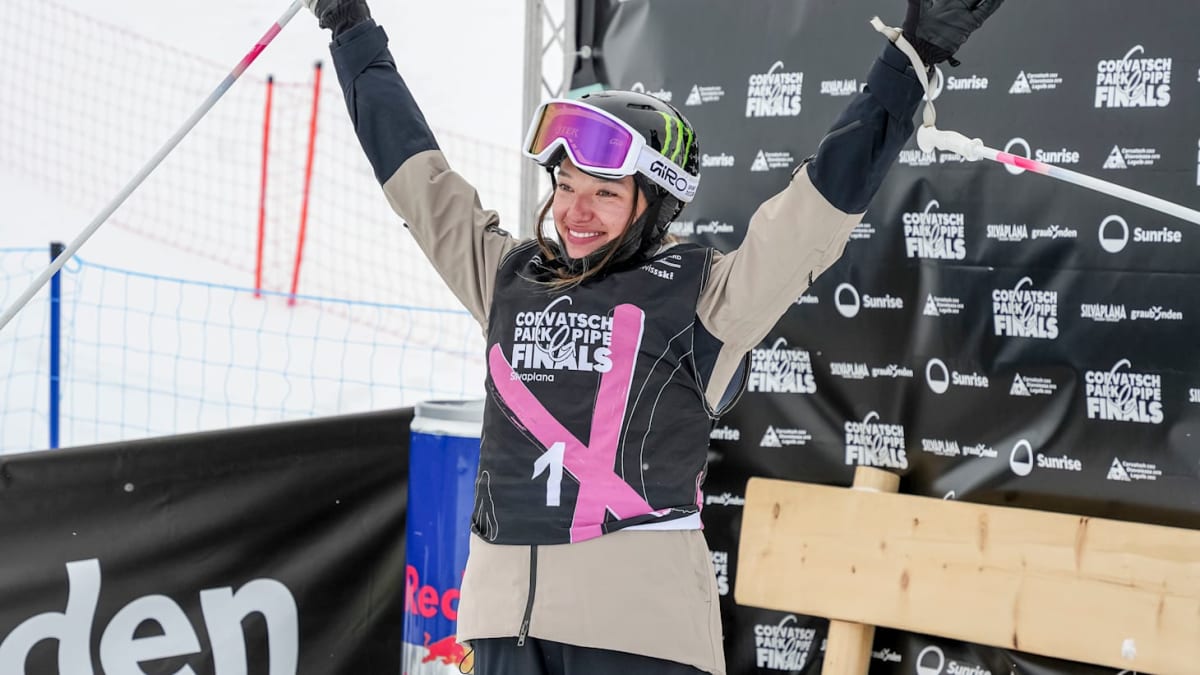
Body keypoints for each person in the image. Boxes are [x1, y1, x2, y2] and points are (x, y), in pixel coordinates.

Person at [303, 1, 1004, 673]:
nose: (575, 211)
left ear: (652, 203)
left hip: (638, 638)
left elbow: (814, 210)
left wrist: (911, 62)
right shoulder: (507, 277)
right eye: (566, 183)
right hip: (503, 625)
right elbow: (418, 179)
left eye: (605, 193)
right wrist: (349, 25)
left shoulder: (708, 296)